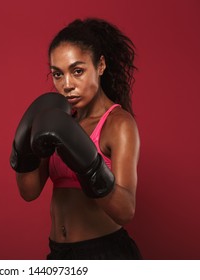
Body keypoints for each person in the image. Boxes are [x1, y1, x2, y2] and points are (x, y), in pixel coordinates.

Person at [10, 18, 142, 259]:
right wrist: (24, 152)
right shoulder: (58, 122)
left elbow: (126, 211)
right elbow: (29, 192)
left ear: (100, 65)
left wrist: (89, 166)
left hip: (105, 255)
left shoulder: (118, 124)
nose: (67, 85)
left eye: (77, 71)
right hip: (59, 255)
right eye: (58, 75)